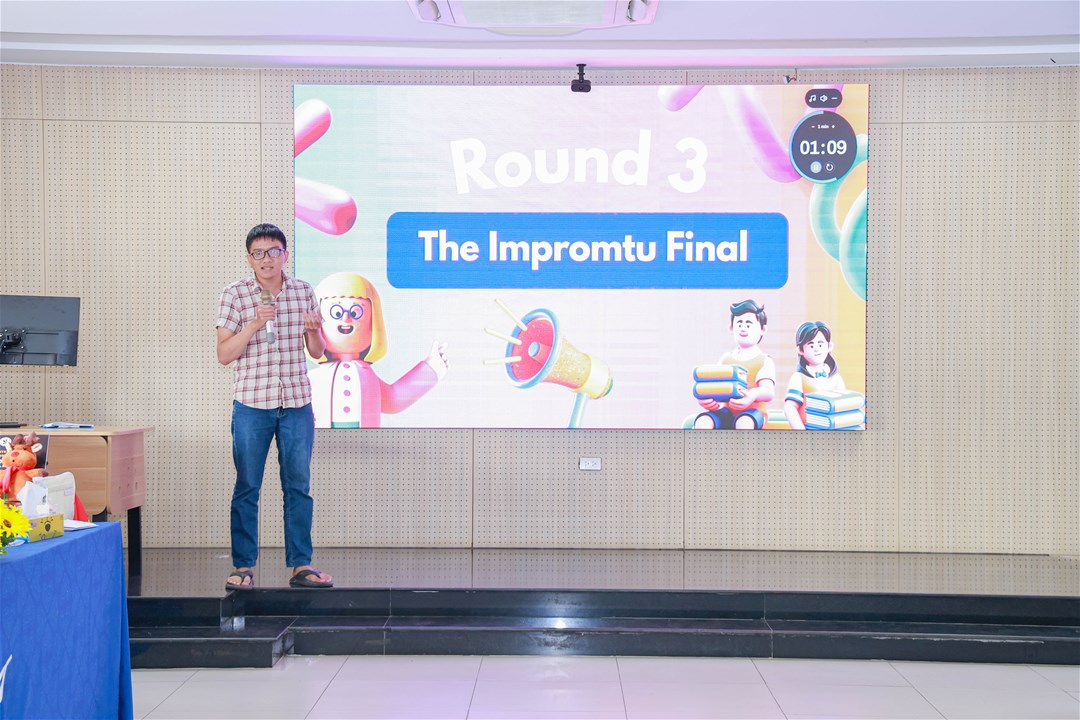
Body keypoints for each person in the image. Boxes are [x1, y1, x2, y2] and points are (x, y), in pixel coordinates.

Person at [216, 223, 333, 590]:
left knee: (298, 487)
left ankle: (301, 565)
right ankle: (243, 566)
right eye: (259, 253)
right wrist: (254, 324)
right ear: (249, 258)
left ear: (285, 254)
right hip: (252, 405)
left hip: (296, 403)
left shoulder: (303, 291)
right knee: (247, 486)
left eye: (273, 251)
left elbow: (317, 352)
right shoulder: (234, 294)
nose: (266, 259)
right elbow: (224, 354)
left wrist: (313, 330)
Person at [307, 272, 448, 428]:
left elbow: (393, 399)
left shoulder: (366, 376)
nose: (346, 319)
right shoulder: (313, 378)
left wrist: (431, 369)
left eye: (355, 312)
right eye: (336, 313)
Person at [694, 299, 776, 429]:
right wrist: (706, 400)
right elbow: (715, 386)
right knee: (703, 422)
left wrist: (752, 395)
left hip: (754, 414)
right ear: (731, 328)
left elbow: (768, 392)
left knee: (744, 423)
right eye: (739, 324)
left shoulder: (764, 361)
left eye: (748, 324)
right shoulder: (726, 359)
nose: (743, 329)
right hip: (727, 412)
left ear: (762, 329)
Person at [783, 320, 846, 430]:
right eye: (811, 345)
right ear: (801, 350)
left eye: (820, 344)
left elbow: (843, 406)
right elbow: (790, 407)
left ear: (829, 346)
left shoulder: (836, 378)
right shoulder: (799, 378)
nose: (816, 349)